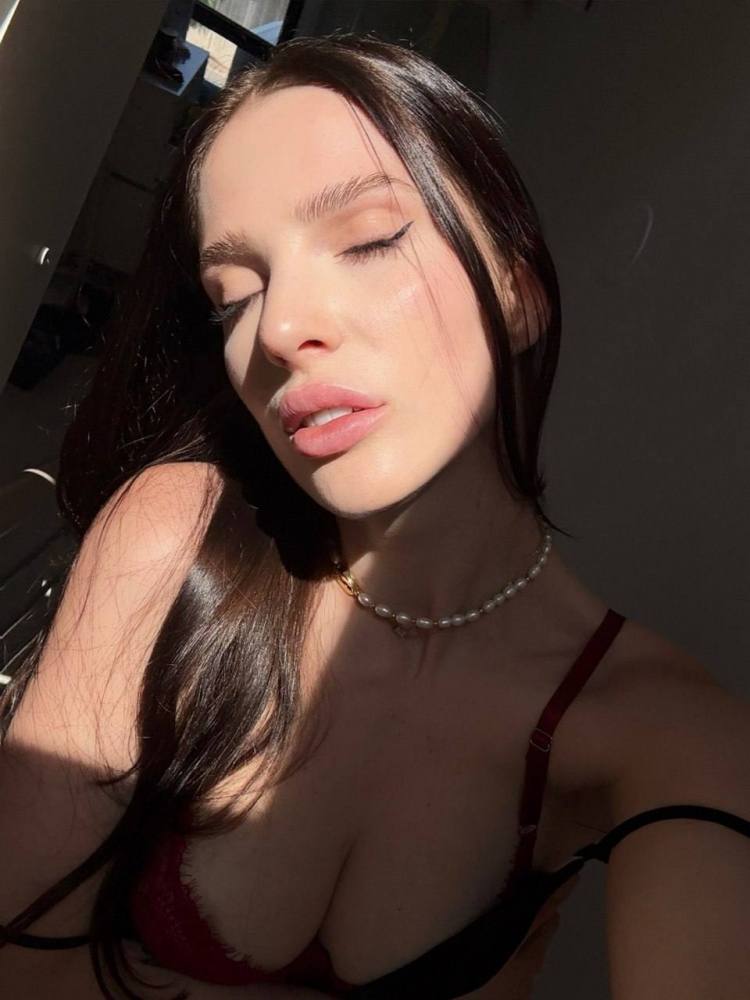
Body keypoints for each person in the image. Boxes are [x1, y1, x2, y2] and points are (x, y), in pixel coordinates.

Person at [1, 31, 748, 1000]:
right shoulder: (178, 537)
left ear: (518, 293)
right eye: (235, 296)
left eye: (367, 239)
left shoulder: (658, 731)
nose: (277, 329)